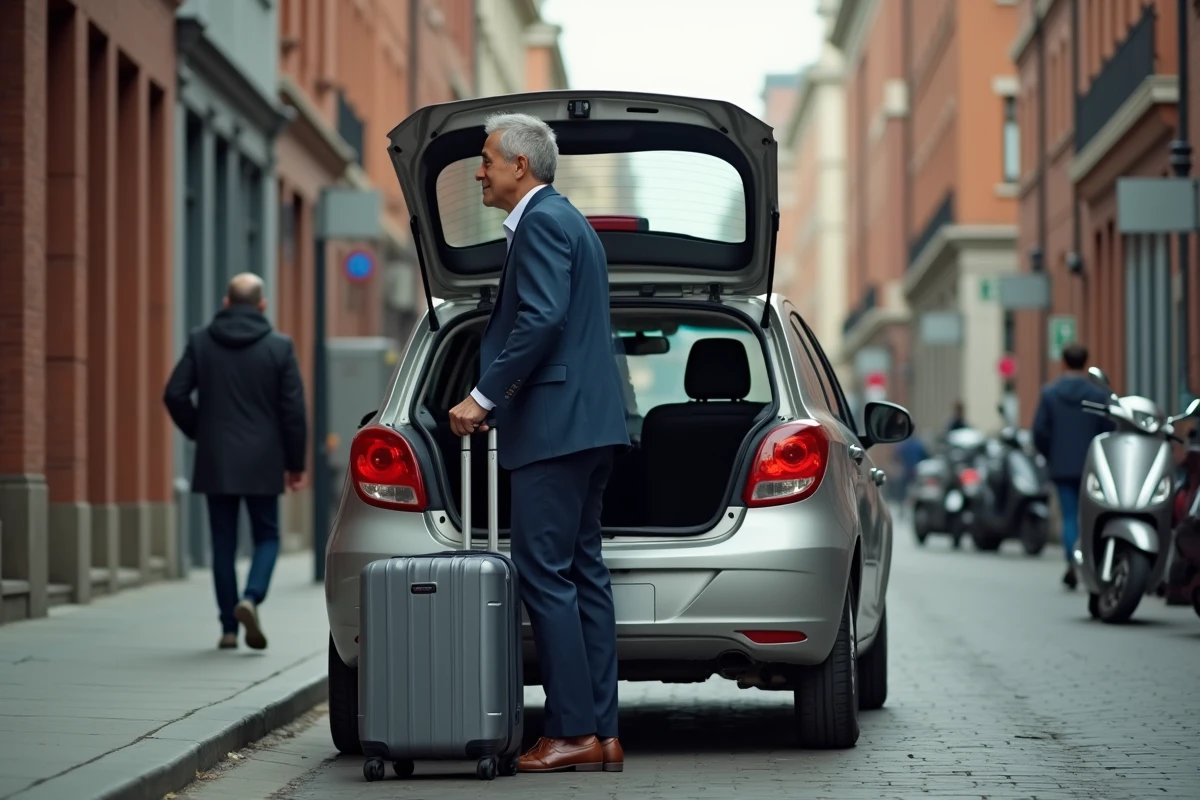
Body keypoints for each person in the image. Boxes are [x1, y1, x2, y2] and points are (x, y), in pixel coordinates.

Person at [447, 113, 631, 774]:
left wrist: (482, 396)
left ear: (519, 165)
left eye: (487, 160)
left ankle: (572, 730)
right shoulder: (566, 220)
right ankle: (602, 733)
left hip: (553, 427)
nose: (479, 171)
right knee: (583, 575)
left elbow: (543, 316)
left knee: (547, 576)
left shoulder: (544, 222)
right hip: (584, 425)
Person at [163, 274, 308, 650]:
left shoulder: (201, 341)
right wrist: (295, 463)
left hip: (217, 459)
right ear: (262, 306)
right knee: (267, 536)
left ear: (226, 303)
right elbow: (293, 410)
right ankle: (252, 596)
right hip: (264, 458)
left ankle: (229, 627)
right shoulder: (279, 347)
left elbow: (174, 394)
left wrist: (201, 431)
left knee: (222, 543)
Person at [1032, 342, 1114, 589]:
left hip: (1062, 465)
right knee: (1091, 516)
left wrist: (1051, 455)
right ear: (1085, 362)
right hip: (1093, 464)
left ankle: (1072, 561)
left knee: (1069, 516)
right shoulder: (1098, 395)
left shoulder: (1050, 393)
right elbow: (1109, 428)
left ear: (1064, 362)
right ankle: (1092, 561)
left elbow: (1039, 431)